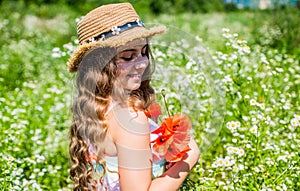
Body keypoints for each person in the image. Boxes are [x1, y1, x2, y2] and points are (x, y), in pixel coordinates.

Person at [68, 2, 199, 191]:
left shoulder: (96, 105)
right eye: (128, 57)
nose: (142, 64)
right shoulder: (129, 117)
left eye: (144, 52)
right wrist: (187, 160)